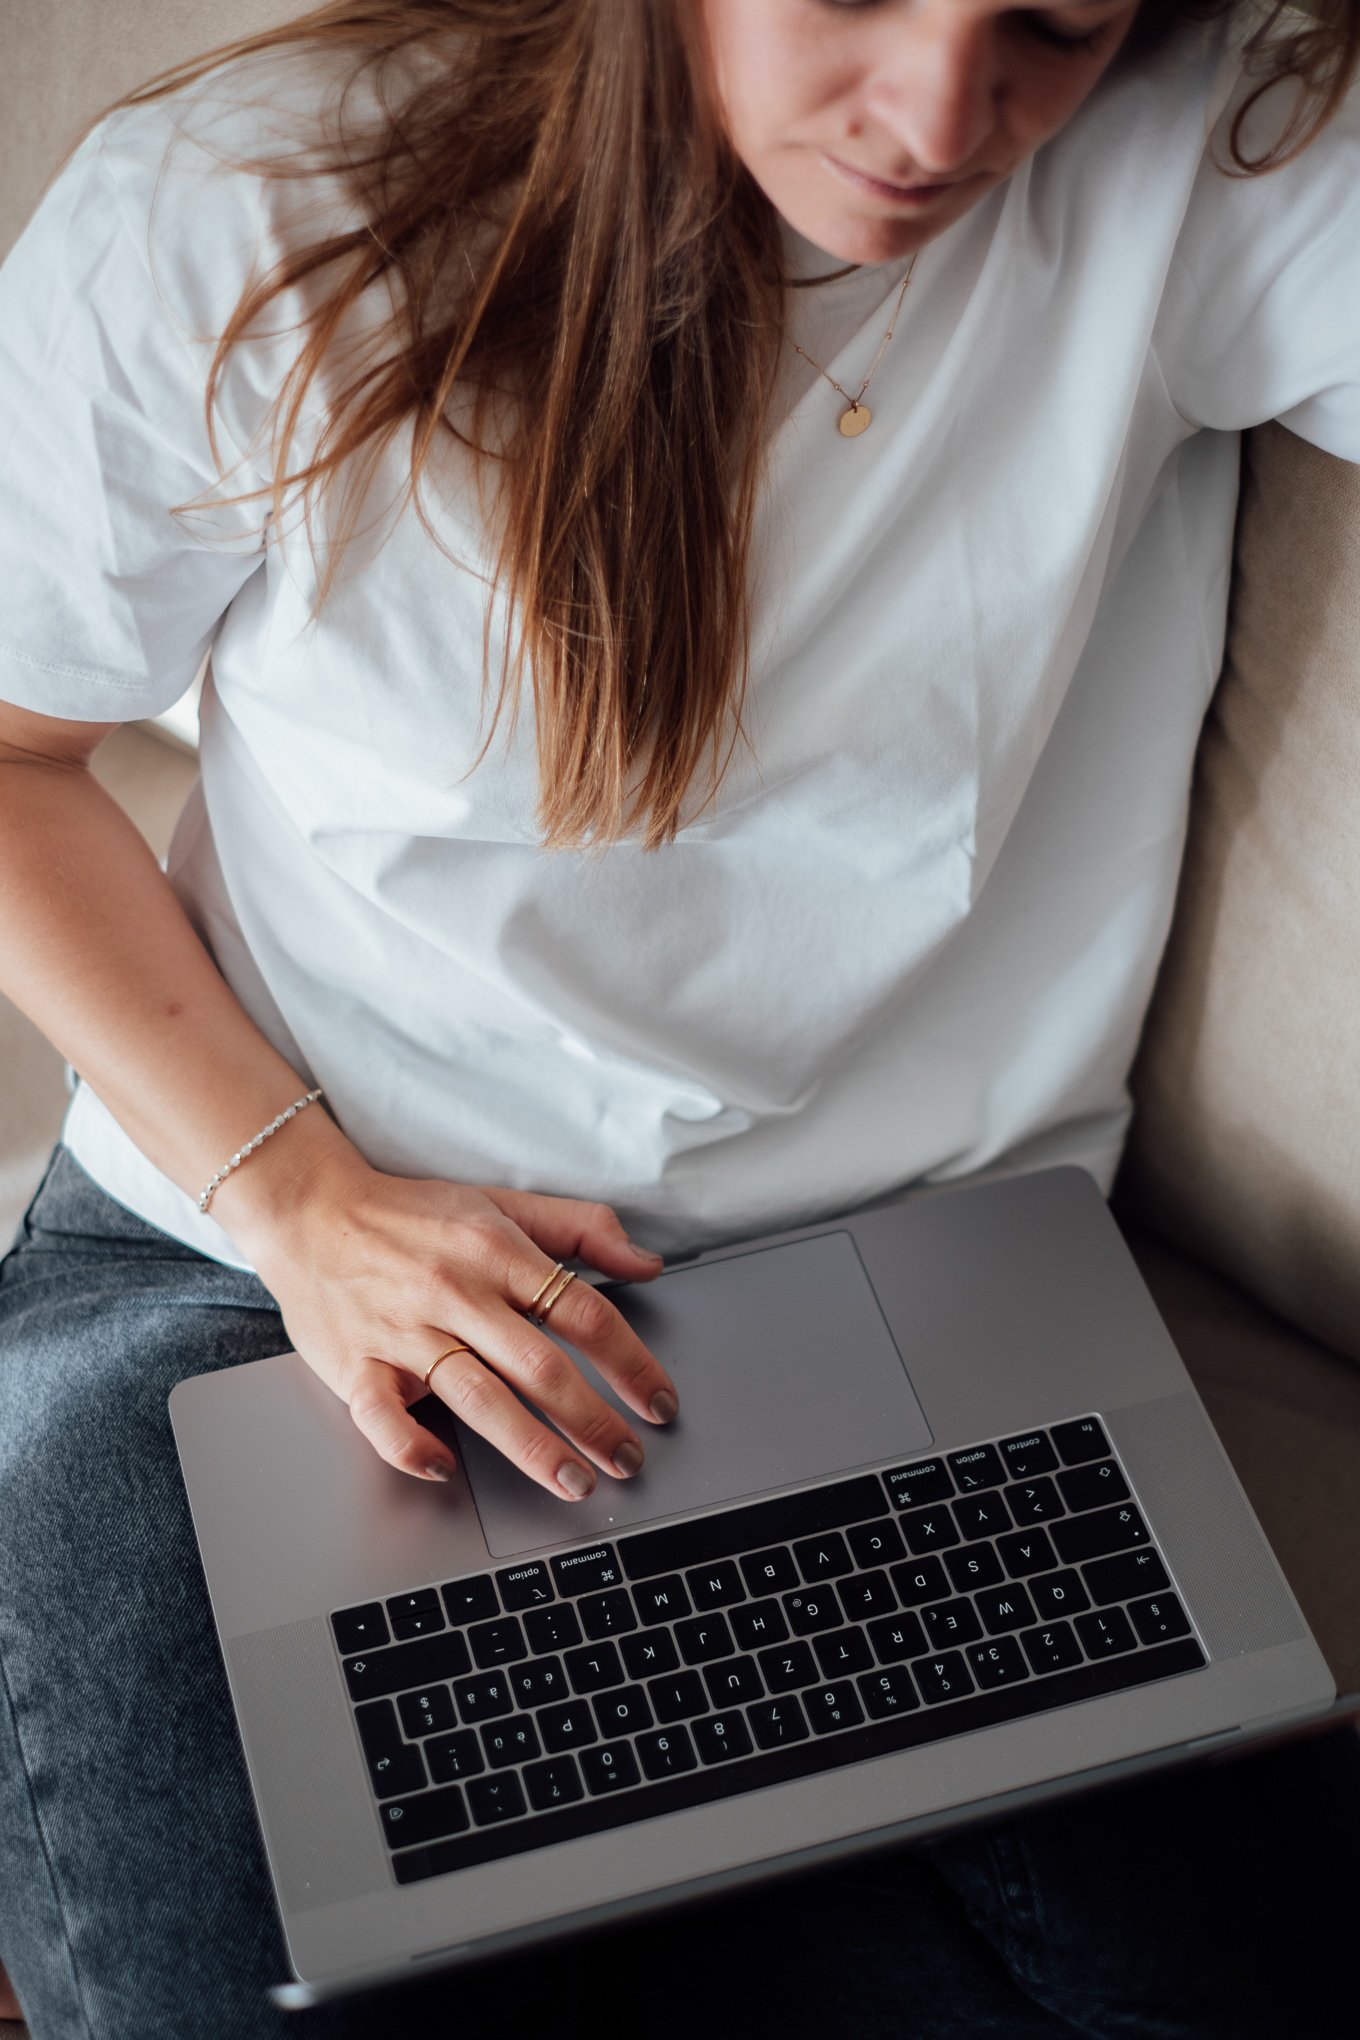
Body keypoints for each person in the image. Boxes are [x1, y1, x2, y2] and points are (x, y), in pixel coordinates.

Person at [0, 0, 1357, 2032]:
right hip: (257, 1262)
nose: (938, 118)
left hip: (924, 1308)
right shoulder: (245, 208)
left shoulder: (1194, 150)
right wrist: (307, 1205)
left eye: (1052, 25)